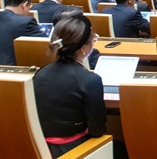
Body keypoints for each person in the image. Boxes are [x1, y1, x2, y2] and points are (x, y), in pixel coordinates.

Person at [32, 15, 106, 158]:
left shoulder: (40, 73)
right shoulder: (90, 80)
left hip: (41, 148)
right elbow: (97, 130)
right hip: (73, 150)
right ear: (84, 49)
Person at [0, 0, 45, 65]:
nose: (29, 11)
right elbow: (44, 44)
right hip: (10, 70)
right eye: (29, 7)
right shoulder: (26, 22)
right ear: (24, 5)